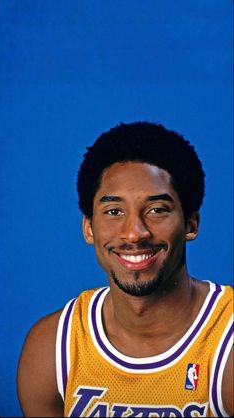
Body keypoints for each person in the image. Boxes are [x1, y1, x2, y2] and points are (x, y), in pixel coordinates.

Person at [17, 121, 233, 417]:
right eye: (114, 212)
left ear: (191, 224)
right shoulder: (52, 348)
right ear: (89, 228)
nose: (134, 233)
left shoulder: (226, 341)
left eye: (157, 210)